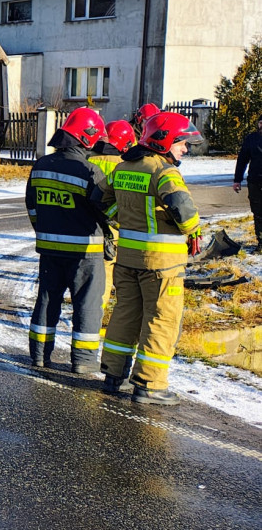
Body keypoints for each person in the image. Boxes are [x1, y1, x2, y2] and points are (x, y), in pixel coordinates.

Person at [97, 112, 203, 406]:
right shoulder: (164, 172)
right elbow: (184, 213)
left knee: (126, 314)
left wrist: (121, 219)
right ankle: (150, 384)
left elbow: (99, 201)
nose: (186, 149)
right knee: (161, 319)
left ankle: (112, 374)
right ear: (165, 141)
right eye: (182, 143)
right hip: (162, 264)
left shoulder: (123, 168)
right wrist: (193, 231)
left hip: (127, 259)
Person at [26, 107, 109, 373]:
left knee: (47, 301)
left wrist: (45, 230)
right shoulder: (89, 171)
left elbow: (32, 207)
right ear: (87, 136)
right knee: (86, 304)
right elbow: (108, 213)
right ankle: (83, 361)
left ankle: (39, 355)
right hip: (85, 251)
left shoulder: (40, 165)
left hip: (49, 248)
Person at [88, 120, 137, 309]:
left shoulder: (86, 158)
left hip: (84, 225)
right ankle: (96, 313)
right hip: (112, 227)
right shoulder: (124, 165)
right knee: (107, 270)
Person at [231, 116, 262, 250]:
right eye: (261, 123)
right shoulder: (251, 138)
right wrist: (237, 180)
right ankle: (261, 242)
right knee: (258, 212)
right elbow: (242, 159)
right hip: (255, 181)